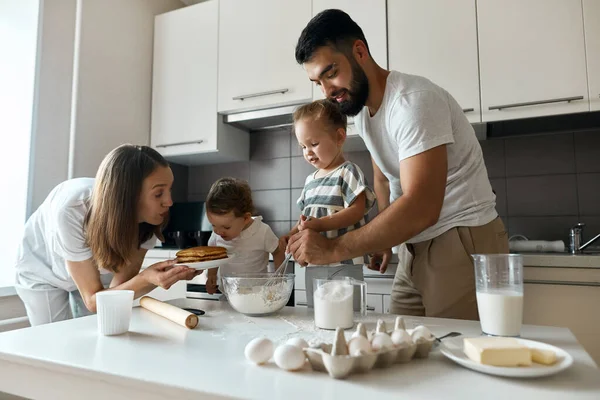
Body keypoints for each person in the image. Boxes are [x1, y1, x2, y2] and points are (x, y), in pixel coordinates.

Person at [288, 9, 508, 320]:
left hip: (460, 239)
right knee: (404, 349)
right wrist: (383, 239)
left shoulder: (413, 102)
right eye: (317, 82)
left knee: (456, 355)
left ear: (359, 52)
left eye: (331, 72)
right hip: (413, 246)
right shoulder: (364, 113)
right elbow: (385, 177)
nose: (326, 92)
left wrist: (334, 249)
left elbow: (421, 206)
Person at [14, 144, 199, 326]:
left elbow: (117, 293)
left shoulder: (148, 222)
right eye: (159, 193)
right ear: (128, 194)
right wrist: (146, 279)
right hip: (42, 271)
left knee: (98, 330)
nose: (169, 202)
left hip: (93, 270)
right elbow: (93, 301)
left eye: (169, 190)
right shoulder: (73, 209)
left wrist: (159, 278)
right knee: (53, 338)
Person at [285, 99, 375, 308]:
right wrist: (291, 234)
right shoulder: (310, 181)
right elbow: (305, 219)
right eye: (303, 146)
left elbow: (357, 210)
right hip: (314, 263)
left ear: (339, 137)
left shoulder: (348, 171)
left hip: (345, 263)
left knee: (346, 316)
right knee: (316, 315)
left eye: (314, 144)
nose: (308, 152)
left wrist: (319, 225)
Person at [204, 177, 285, 294]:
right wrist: (211, 275)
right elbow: (212, 255)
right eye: (213, 225)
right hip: (228, 294)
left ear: (246, 218)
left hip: (257, 294)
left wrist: (278, 279)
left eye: (226, 227)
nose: (218, 231)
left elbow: (278, 251)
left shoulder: (262, 231)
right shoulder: (217, 234)